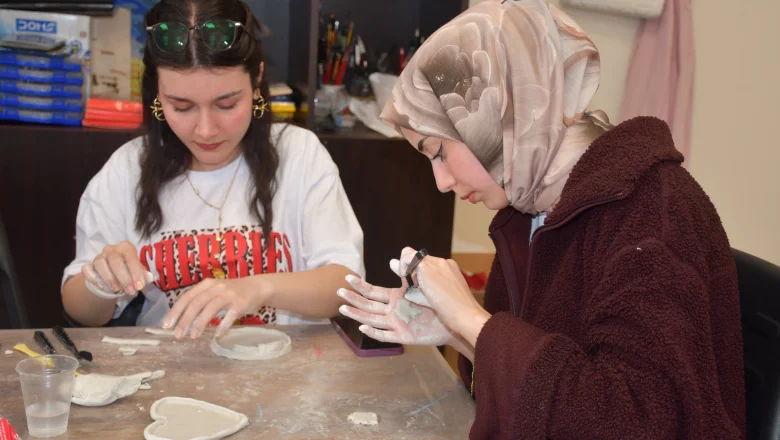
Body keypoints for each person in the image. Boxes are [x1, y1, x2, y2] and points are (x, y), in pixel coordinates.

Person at [337, 1, 745, 438]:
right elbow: (536, 387)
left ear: (500, 113)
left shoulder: (655, 214)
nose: (441, 181)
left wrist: (476, 323)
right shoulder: (531, 210)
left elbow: (635, 422)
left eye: (439, 151)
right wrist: (456, 332)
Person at [61, 0, 364, 339]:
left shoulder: (299, 154)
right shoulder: (127, 169)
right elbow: (80, 309)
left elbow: (345, 285)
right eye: (182, 106)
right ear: (157, 94)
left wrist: (259, 288)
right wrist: (102, 282)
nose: (205, 130)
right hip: (170, 376)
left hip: (289, 375)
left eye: (226, 104)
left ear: (257, 78)